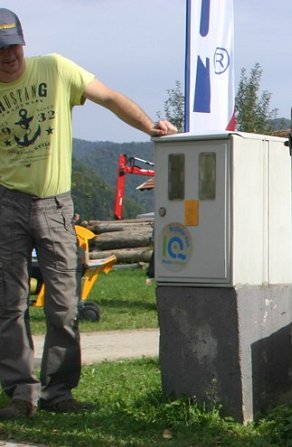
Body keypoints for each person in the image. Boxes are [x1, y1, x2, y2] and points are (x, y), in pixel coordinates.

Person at [0, 8, 177, 420]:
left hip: (55, 204)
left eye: (13, 47)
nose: (9, 57)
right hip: (6, 202)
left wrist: (149, 127)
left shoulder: (56, 69)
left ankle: (58, 392)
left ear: (24, 43)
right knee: (9, 304)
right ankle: (20, 395)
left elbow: (111, 97)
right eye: (0, 50)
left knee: (64, 302)